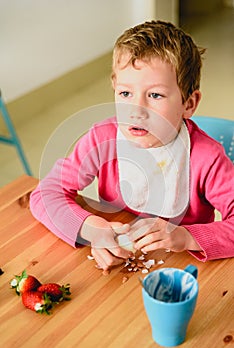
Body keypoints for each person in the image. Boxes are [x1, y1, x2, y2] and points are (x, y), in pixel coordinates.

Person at [30, 20, 234, 273]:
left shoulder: (208, 158)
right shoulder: (101, 139)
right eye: (126, 94)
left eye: (155, 95)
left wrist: (185, 237)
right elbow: (45, 194)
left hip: (184, 271)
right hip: (119, 268)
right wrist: (91, 229)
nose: (136, 111)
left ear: (189, 103)